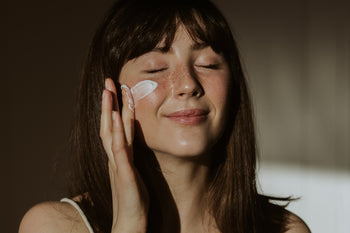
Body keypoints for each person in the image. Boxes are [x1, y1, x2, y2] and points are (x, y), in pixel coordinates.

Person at [19, 0, 311, 232]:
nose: (188, 85)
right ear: (112, 97)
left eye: (208, 64)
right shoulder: (53, 226)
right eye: (156, 69)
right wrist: (129, 227)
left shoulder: (286, 230)